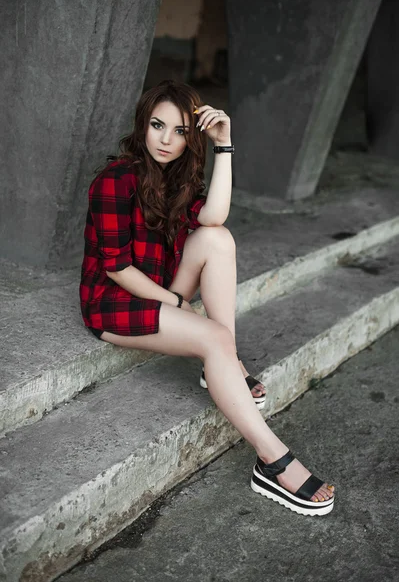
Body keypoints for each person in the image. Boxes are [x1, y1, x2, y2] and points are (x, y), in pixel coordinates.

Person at [79, 80, 335, 516]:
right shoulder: (115, 180)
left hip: (160, 288)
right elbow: (117, 269)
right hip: (113, 300)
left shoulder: (177, 176)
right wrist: (178, 305)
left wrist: (225, 145)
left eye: (179, 131)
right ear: (143, 124)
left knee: (218, 239)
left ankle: (225, 361)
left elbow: (214, 216)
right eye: (158, 125)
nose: (165, 139)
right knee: (213, 337)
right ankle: (272, 459)